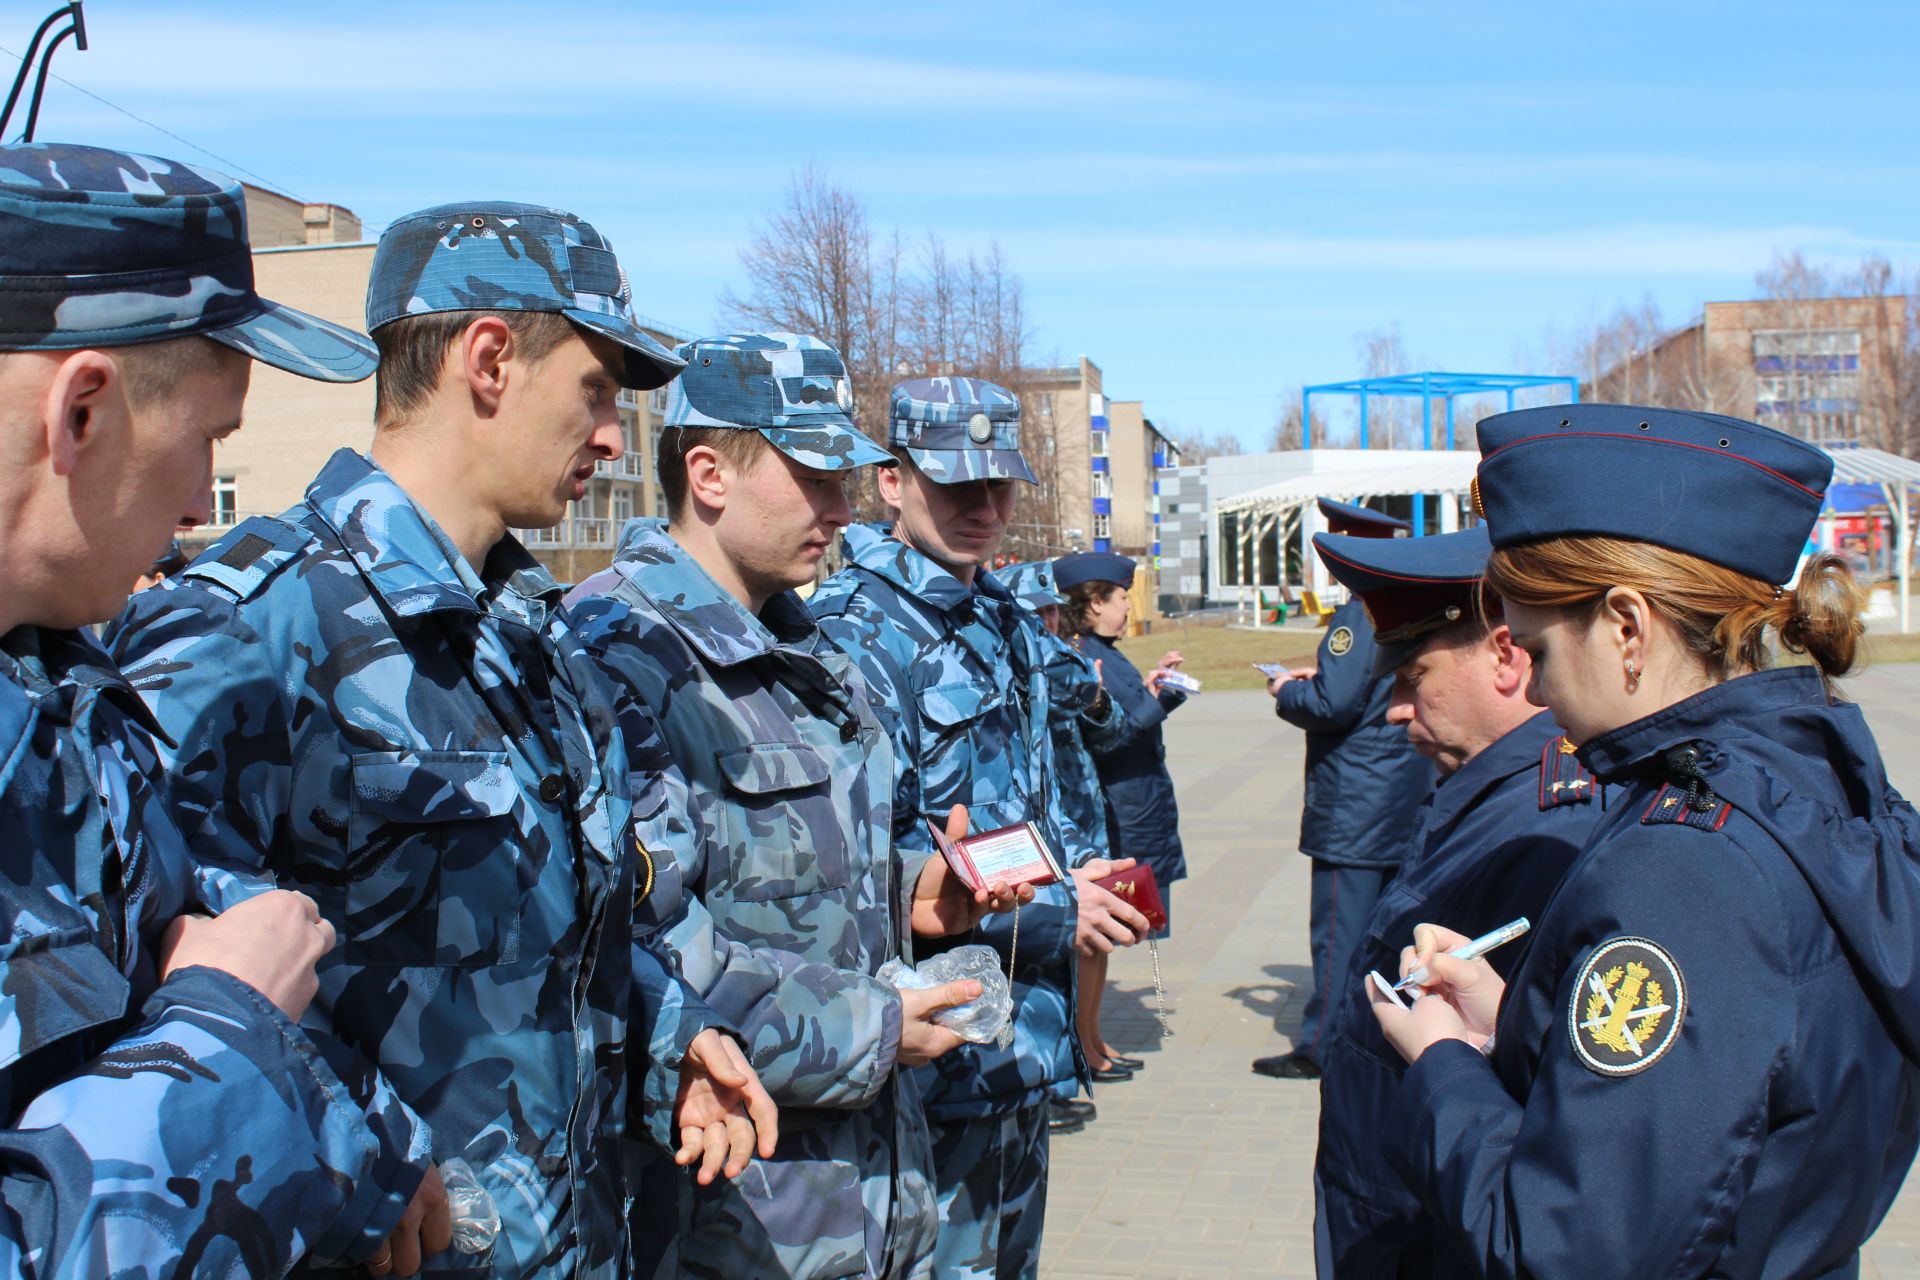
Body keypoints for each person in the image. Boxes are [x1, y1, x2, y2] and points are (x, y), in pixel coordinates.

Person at [109, 200, 775, 1278]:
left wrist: (674, 1040)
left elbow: (567, 948)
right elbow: (144, 985)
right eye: (597, 389)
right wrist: (356, 1142)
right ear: (491, 359)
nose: (613, 438)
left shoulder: (536, 643)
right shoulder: (250, 625)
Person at [0, 140, 431, 1274]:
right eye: (208, 445)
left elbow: (188, 920)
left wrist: (374, 1139)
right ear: (81, 411)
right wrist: (227, 1031)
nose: (203, 504)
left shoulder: (55, 682)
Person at [1369, 403, 1920, 1277]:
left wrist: (1441, 1067)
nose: (1541, 695)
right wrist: (1517, 1026)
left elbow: (1564, 1250)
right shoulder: (1818, 789)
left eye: (1542, 652)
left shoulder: (1686, 866)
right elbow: (1736, 1097)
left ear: (1627, 627)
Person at [565, 332, 1025, 1279]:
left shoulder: (804, 650)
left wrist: (913, 895)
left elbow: (779, 873)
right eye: (816, 477)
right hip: (732, 1213)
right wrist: (874, 1028)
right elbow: (642, 948)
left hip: (859, 1195)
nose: (843, 510)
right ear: (709, 474)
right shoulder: (618, 657)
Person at [810, 377, 1144, 1278]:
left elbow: (1038, 789)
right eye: (956, 485)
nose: (984, 507)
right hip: (929, 1047)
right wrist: (1052, 911)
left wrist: (1084, 876)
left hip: (1019, 1040)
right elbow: (860, 867)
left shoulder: (1002, 617)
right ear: (890, 481)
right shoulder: (851, 632)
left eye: (1000, 485)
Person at [1304, 525, 1599, 1277]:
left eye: (1414, 675)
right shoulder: (1479, 794)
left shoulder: (1545, 830)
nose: (1396, 709)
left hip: (1431, 1230)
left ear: (1505, 656)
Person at [1256, 499, 1432, 1081]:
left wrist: (1285, 689)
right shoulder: (1396, 605)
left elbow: (1333, 705)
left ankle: (1321, 1048)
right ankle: (1381, 1035)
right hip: (1394, 792)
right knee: (1384, 932)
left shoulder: (1356, 615)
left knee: (1338, 935)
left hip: (1354, 803)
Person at [993, 559, 1139, 1121]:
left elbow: (1115, 726)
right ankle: (1055, 1070)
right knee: (1049, 952)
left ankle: (1087, 1046)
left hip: (1079, 817)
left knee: (1094, 943)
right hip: (1037, 833)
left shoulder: (1066, 662)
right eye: (1036, 611)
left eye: (1053, 609)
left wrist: (1098, 699)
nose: (1047, 620)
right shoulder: (1014, 666)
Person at [1054, 551, 1186, 1080]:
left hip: (1132, 806)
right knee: (1093, 938)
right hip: (1112, 812)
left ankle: (1093, 1040)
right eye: (1121, 597)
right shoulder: (1083, 657)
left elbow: (1127, 714)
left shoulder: (1105, 652)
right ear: (1091, 603)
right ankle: (1085, 1045)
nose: (1128, 606)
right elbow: (1109, 738)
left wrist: (1156, 692)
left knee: (1101, 941)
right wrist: (1161, 703)